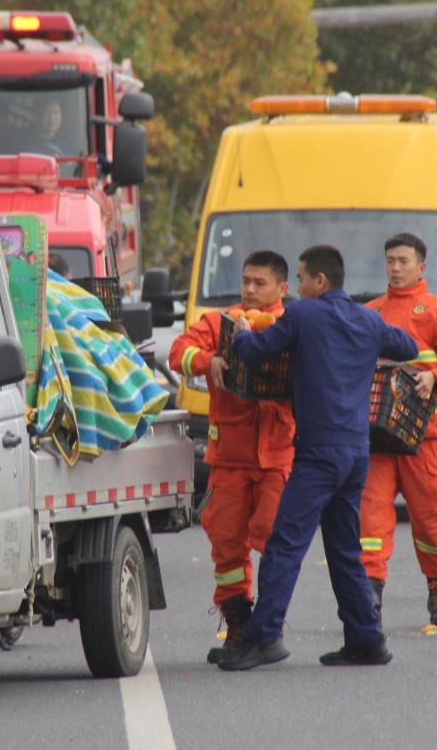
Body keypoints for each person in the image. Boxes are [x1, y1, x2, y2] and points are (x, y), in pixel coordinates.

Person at [216, 245, 417, 671]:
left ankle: (263, 637)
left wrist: (241, 332)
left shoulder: (303, 315)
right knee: (344, 549)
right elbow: (407, 346)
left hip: (318, 453)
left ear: (320, 281)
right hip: (356, 453)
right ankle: (366, 639)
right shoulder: (367, 319)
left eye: (302, 279)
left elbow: (254, 352)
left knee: (285, 544)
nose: (299, 287)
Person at [167, 251, 296, 663]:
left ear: (282, 288)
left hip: (277, 456)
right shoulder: (218, 322)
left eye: (260, 283)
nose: (250, 290)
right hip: (230, 458)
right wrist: (209, 361)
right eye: (245, 281)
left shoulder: (293, 325)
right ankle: (239, 627)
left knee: (272, 537)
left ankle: (268, 629)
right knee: (225, 543)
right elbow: (178, 352)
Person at [360, 233, 437, 628]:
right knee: (370, 522)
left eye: (403, 261)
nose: (395, 268)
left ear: (421, 267)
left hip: (422, 441)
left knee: (429, 525)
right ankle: (370, 595)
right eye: (390, 260)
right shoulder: (370, 312)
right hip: (378, 438)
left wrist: (436, 377)